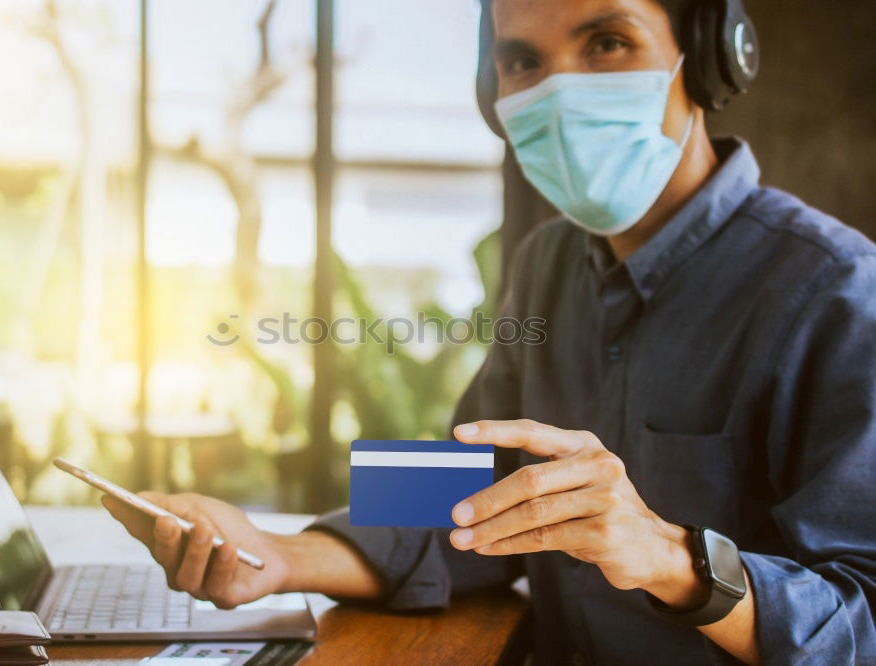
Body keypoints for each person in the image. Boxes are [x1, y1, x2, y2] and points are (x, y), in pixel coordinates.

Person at [104, 0, 876, 663]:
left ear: (707, 57)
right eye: (521, 60)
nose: (560, 92)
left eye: (607, 41)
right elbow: (463, 496)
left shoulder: (839, 291)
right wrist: (274, 557)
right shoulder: (544, 263)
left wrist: (669, 557)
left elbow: (864, 621)